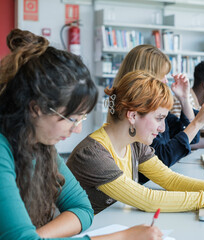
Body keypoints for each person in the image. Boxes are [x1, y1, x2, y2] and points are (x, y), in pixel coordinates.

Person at [0, 29, 162, 240]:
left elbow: (82, 208)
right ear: (36, 108)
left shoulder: (40, 146)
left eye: (81, 119)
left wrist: (34, 237)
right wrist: (123, 237)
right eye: (72, 118)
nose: (77, 129)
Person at [67, 70, 204, 215]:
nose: (163, 128)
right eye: (159, 118)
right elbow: (148, 199)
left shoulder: (135, 144)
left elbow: (169, 179)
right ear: (132, 115)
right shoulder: (93, 154)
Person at [109, 44, 204, 168]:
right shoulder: (138, 114)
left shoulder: (155, 109)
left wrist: (184, 99)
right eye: (162, 75)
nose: (166, 81)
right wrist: (197, 123)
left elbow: (192, 138)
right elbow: (162, 158)